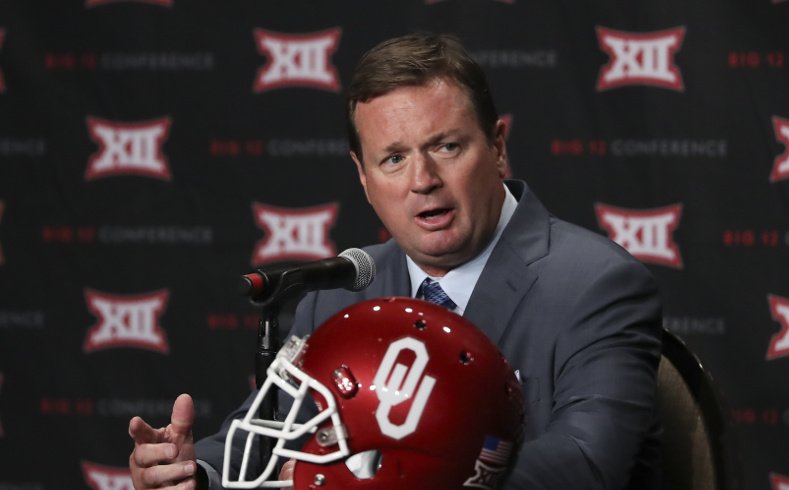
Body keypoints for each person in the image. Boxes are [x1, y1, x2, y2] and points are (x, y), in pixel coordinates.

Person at [128, 32, 663, 489]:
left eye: (447, 147)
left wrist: (414, 474)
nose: (422, 180)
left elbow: (590, 460)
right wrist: (196, 472)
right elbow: (272, 429)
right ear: (363, 177)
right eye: (394, 159)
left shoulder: (595, 284)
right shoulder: (339, 292)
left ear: (498, 147)